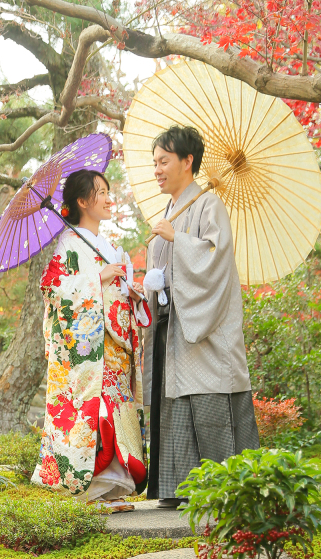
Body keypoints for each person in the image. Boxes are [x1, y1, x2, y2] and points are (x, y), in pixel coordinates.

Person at [142, 125, 259, 507]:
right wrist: (152, 283)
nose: (157, 170)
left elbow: (216, 259)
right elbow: (164, 274)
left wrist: (177, 239)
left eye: (164, 161)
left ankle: (225, 491)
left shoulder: (209, 205)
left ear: (187, 161)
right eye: (154, 163)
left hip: (203, 332)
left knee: (208, 403)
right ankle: (179, 489)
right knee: (174, 403)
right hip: (172, 328)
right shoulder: (170, 210)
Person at [32, 169, 151, 508]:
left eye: (108, 192)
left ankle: (112, 490)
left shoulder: (108, 246)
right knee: (94, 415)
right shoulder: (69, 245)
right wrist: (98, 278)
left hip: (114, 350)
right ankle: (86, 493)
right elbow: (53, 290)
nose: (109, 199)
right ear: (83, 201)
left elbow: (115, 297)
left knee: (118, 415)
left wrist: (131, 295)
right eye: (101, 193)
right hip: (87, 354)